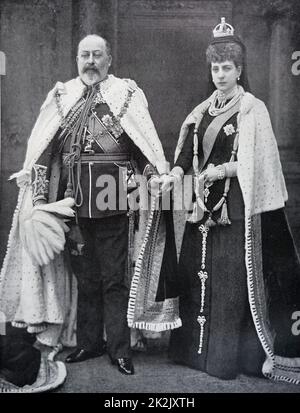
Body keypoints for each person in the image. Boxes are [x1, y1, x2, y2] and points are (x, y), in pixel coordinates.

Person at [0, 34, 181, 376]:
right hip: (71, 202)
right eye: (85, 55)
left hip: (113, 198)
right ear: (77, 59)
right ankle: (88, 342)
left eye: (98, 55)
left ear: (109, 59)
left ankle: (119, 349)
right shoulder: (62, 96)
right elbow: (45, 151)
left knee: (114, 278)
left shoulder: (125, 95)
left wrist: (153, 175)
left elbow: (143, 147)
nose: (91, 62)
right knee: (86, 278)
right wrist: (40, 198)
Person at [165, 18, 300, 383]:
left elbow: (258, 163)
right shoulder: (202, 110)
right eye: (215, 67)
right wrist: (177, 173)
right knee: (196, 281)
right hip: (200, 210)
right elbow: (185, 152)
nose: (220, 74)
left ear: (239, 70)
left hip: (234, 210)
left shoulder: (253, 110)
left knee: (227, 287)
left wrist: (221, 172)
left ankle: (223, 361)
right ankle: (192, 355)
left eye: (227, 68)